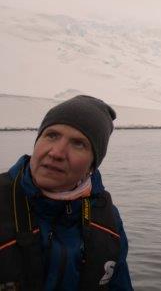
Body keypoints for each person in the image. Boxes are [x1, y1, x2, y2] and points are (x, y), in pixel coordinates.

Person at [0, 95, 133, 290]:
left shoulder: (107, 219)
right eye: (52, 135)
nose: (56, 153)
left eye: (78, 143)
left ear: (92, 165)